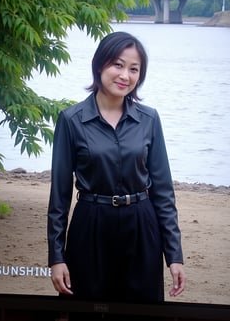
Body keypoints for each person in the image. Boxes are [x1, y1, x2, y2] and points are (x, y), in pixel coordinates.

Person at [47, 31, 186, 316]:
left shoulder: (149, 120)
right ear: (100, 65)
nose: (125, 75)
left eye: (134, 69)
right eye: (118, 65)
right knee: (85, 309)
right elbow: (59, 197)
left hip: (141, 225)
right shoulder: (71, 120)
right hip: (90, 225)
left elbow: (163, 191)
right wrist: (56, 257)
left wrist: (174, 255)